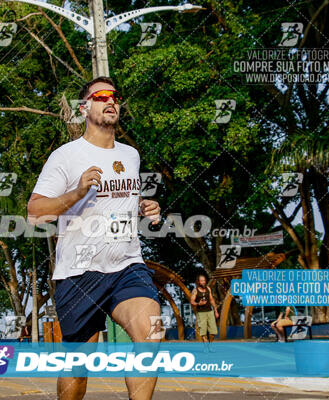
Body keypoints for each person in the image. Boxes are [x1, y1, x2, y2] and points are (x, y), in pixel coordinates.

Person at [28, 76, 162, 400]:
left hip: (126, 266)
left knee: (152, 332)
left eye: (114, 96)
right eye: (101, 96)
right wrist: (76, 193)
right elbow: (35, 213)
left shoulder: (131, 156)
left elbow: (120, 202)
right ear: (84, 107)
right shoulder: (66, 156)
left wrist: (145, 208)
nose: (110, 100)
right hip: (79, 273)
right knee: (78, 368)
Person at [190, 274, 219, 352]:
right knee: (203, 331)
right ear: (198, 282)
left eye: (204, 280)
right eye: (201, 280)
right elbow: (192, 301)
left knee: (213, 331)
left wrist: (215, 310)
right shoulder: (195, 290)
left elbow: (212, 300)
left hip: (210, 312)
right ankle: (206, 347)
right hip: (201, 313)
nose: (203, 282)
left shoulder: (208, 288)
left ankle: (210, 346)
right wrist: (198, 304)